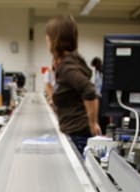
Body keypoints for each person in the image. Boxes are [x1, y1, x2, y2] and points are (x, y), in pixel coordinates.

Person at [45, 15, 100, 155]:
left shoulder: (67, 67)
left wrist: (93, 123)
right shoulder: (70, 61)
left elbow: (89, 90)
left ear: (56, 39)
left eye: (48, 36)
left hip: (78, 135)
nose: (46, 40)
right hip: (76, 133)